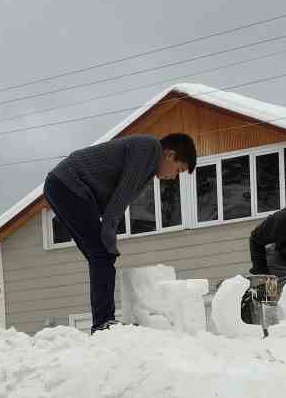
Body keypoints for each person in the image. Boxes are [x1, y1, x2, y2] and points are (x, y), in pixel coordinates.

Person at [44, 133, 197, 332]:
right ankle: (103, 323)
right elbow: (122, 194)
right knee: (102, 255)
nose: (174, 176)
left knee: (99, 256)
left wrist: (107, 231)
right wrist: (108, 232)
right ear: (169, 155)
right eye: (179, 169)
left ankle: (103, 321)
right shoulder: (149, 149)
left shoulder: (148, 165)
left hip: (63, 185)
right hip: (68, 184)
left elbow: (113, 200)